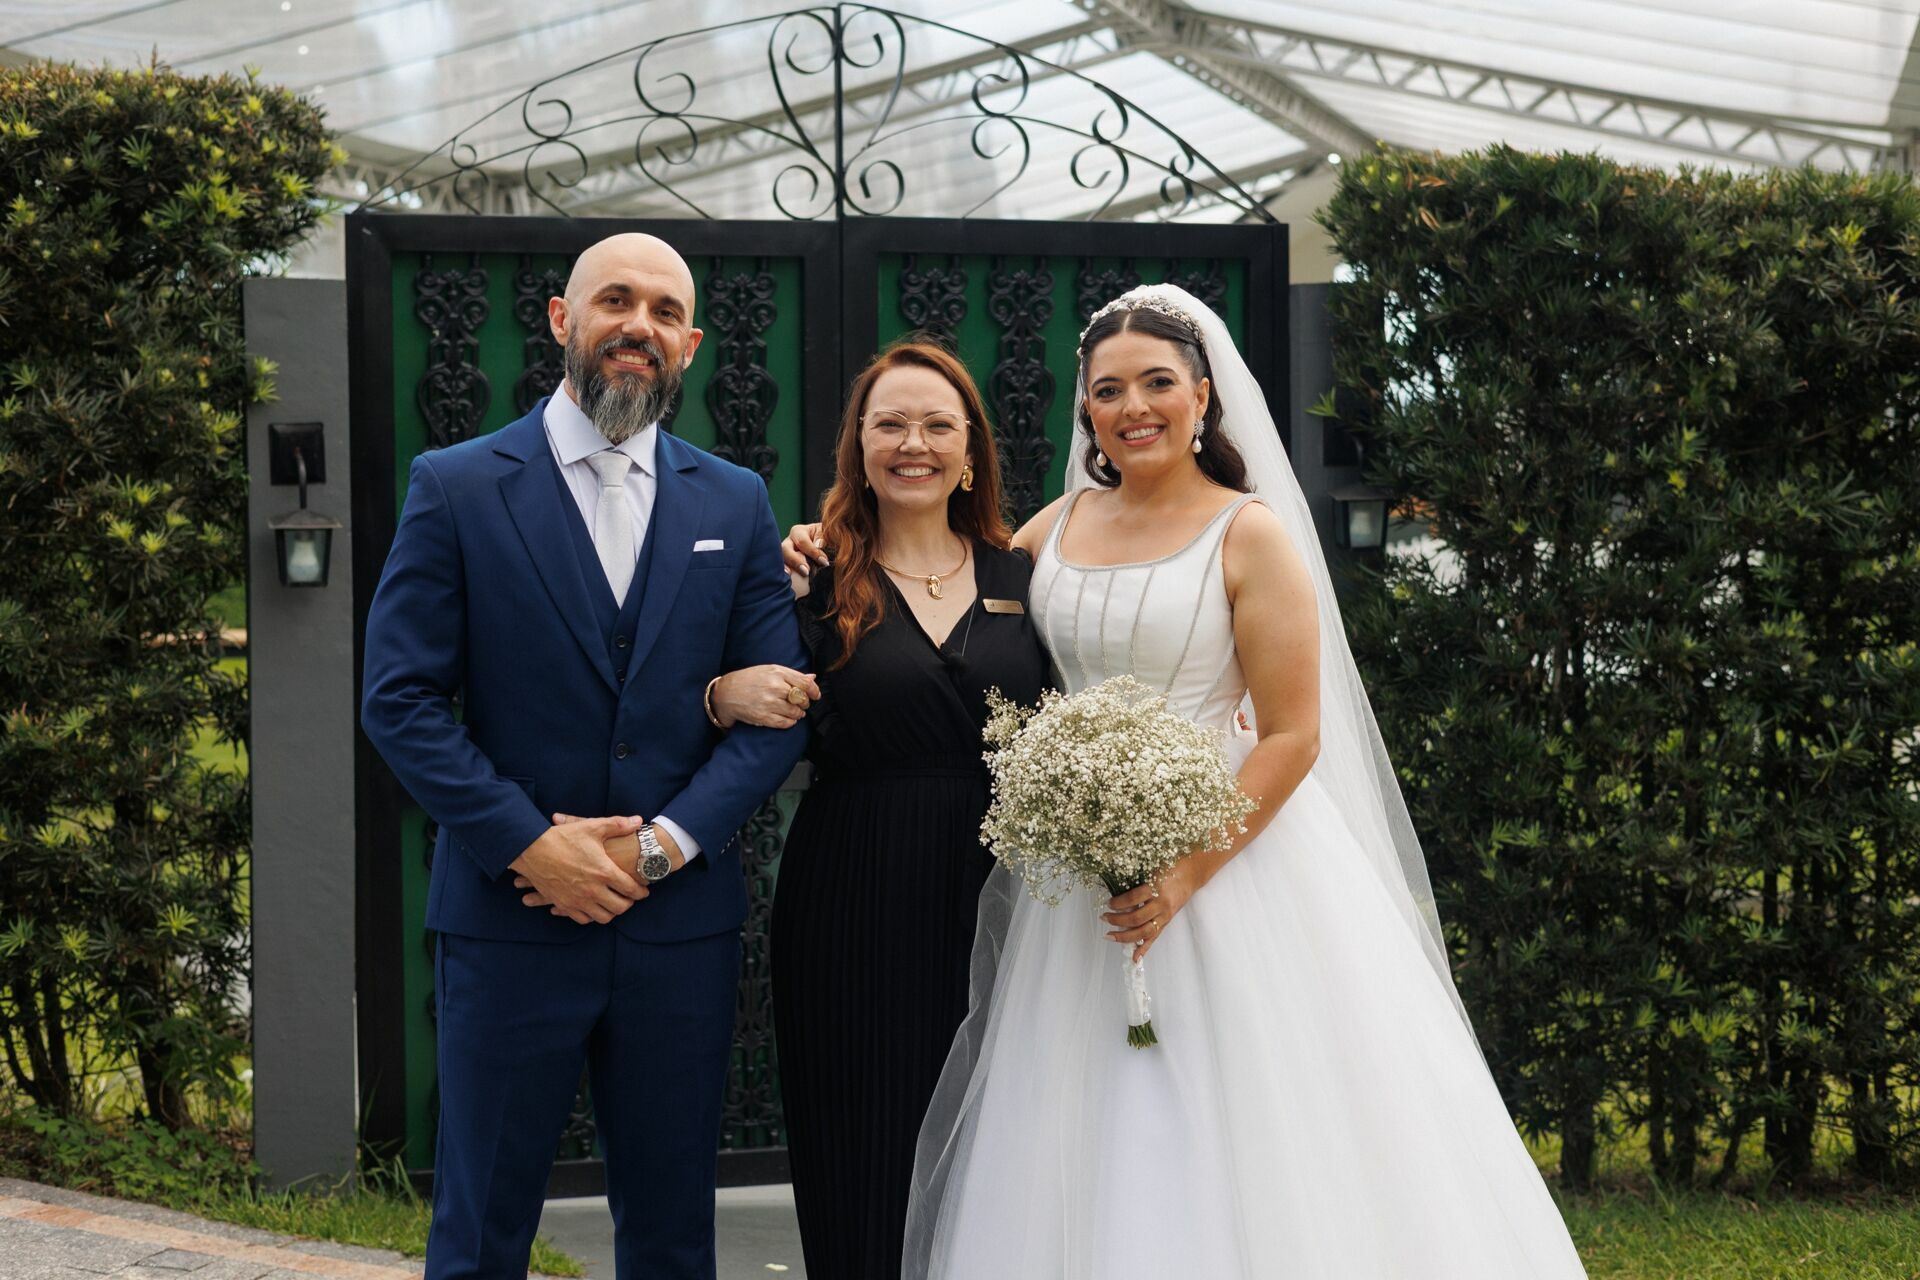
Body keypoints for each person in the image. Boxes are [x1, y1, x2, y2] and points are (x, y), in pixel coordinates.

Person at [791, 286, 1586, 1277]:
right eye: (1110, 388)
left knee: (1244, 1118)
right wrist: (825, 543)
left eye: (1158, 383)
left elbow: (1294, 732)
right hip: (1078, 878)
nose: (1136, 406)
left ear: (1202, 396)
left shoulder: (1248, 533)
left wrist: (1184, 873)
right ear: (1086, 411)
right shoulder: (1053, 529)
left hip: (1229, 858)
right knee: (1068, 1116)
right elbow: (946, 574)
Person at [360, 233, 809, 1280]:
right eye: (616, 299)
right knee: (479, 1230)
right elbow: (402, 700)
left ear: (689, 344)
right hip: (507, 923)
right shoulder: (459, 486)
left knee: (670, 1234)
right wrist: (529, 842)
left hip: (678, 933)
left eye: (663, 310)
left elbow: (777, 710)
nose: (638, 325)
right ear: (562, 319)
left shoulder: (733, 499)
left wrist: (660, 847)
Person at [709, 339, 1049, 1280]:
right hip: (850, 890)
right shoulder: (805, 580)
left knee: (994, 1135)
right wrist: (720, 691)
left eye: (938, 424)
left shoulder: (1025, 576)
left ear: (972, 451)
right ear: (857, 448)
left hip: (1002, 896)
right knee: (858, 1141)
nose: (914, 442)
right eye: (890, 423)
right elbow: (714, 694)